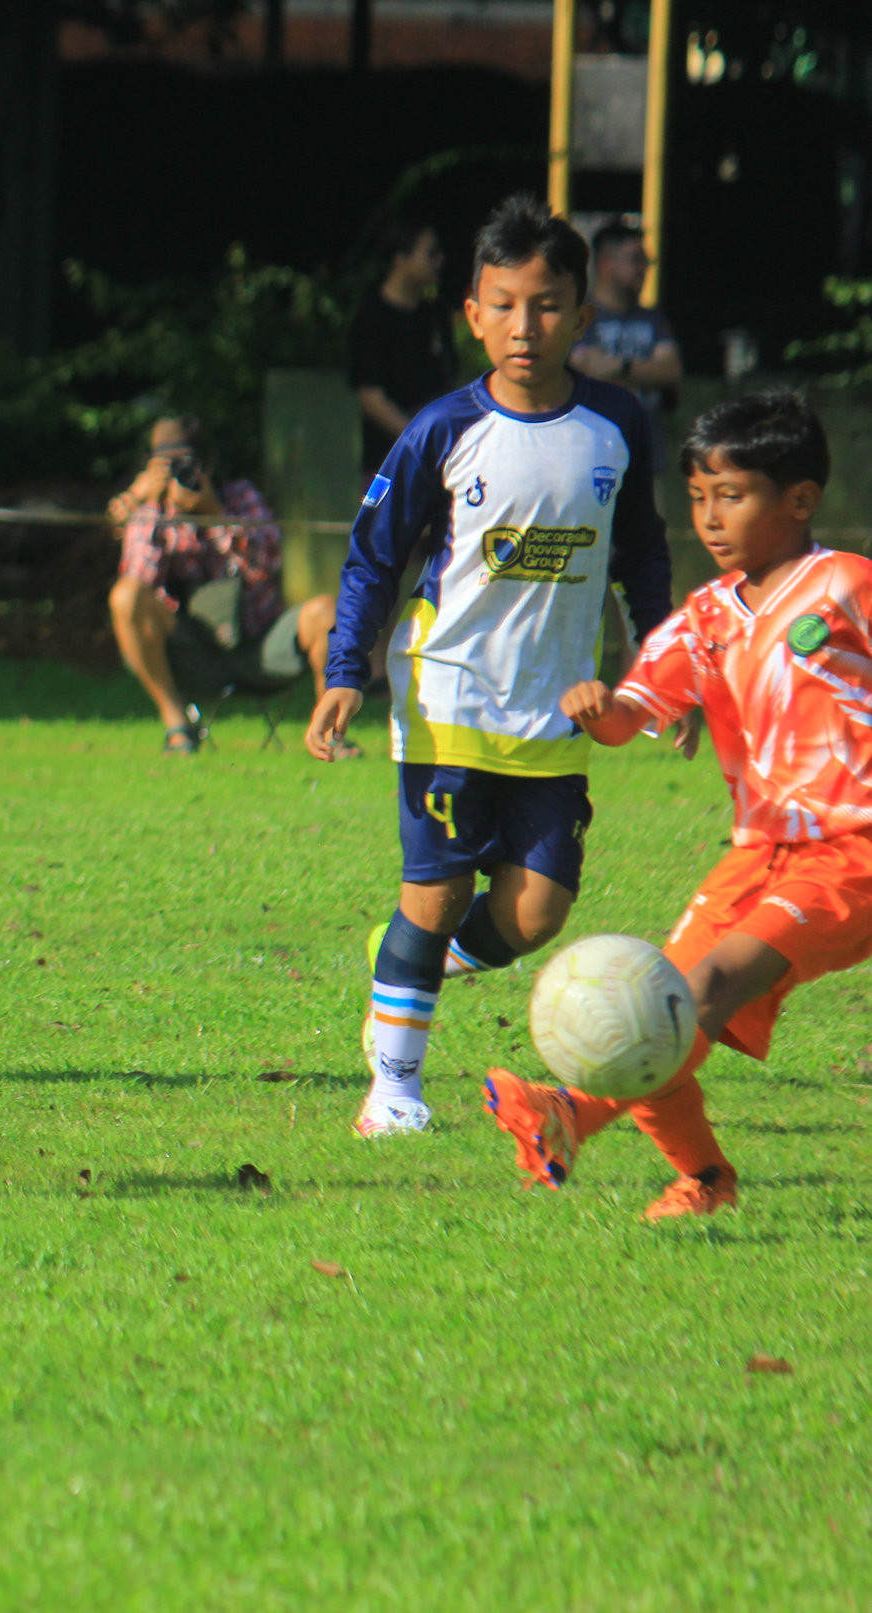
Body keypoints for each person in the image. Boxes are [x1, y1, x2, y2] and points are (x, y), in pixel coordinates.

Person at [305, 193, 672, 1139]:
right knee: (436, 890)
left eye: (546, 304)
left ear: (582, 316)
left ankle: (413, 965)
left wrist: (669, 667)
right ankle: (392, 1088)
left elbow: (642, 554)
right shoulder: (439, 428)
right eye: (502, 304)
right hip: (447, 690)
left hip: (557, 708)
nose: (524, 325)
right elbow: (371, 556)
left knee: (537, 911)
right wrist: (345, 669)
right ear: (471, 313)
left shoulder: (619, 425)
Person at [487, 394, 867, 1221]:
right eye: (696, 497)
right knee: (650, 990)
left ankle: (567, 1113)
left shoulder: (846, 586)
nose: (708, 517)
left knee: (698, 989)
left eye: (730, 495)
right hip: (757, 850)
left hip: (854, 850)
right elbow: (632, 713)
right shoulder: (704, 617)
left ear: (798, 500)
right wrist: (599, 708)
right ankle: (703, 1178)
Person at [107, 415, 340, 755]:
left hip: (259, 645)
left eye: (187, 464)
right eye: (167, 467)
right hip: (192, 651)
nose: (181, 476)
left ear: (209, 463)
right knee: (124, 594)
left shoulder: (241, 496)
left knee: (327, 612)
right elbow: (139, 588)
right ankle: (177, 727)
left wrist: (214, 514)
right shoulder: (149, 511)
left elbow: (267, 564)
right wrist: (154, 508)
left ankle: (330, 733)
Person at [348, 219, 455, 477]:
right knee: (381, 518)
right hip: (386, 462)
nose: (439, 261)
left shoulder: (435, 315)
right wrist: (419, 440)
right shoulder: (371, 317)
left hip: (437, 462)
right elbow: (372, 398)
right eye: (430, 253)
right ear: (400, 258)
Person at [569, 221, 681, 458]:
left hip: (645, 450)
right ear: (606, 262)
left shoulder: (653, 317)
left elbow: (670, 371)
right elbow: (585, 370)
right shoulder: (581, 315)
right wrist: (646, 370)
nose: (644, 268)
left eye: (646, 261)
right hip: (591, 450)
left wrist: (619, 366)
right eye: (636, 259)